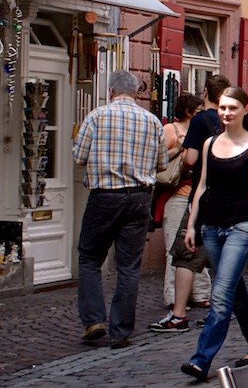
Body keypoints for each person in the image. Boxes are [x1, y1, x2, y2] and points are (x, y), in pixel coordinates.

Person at [180, 87, 248, 381]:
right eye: (222, 108)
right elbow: (202, 186)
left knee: (220, 294)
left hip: (242, 227)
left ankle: (200, 359)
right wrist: (193, 223)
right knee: (233, 291)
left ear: (245, 110)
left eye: (233, 108)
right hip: (212, 226)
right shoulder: (209, 144)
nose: (226, 113)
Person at [74, 70, 168, 349]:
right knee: (128, 266)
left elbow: (79, 157)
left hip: (105, 196)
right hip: (139, 198)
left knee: (90, 258)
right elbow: (161, 164)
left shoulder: (96, 116)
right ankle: (121, 330)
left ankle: (94, 320)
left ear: (112, 91)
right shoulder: (152, 121)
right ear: (137, 92)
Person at [150, 74, 229, 333]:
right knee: (223, 258)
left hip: (200, 195)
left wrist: (185, 158)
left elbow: (191, 160)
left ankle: (179, 312)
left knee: (184, 253)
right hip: (227, 197)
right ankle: (219, 309)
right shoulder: (231, 121)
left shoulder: (200, 121)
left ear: (206, 92)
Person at [154, 94, 205, 311]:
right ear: (188, 111)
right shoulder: (170, 130)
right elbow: (157, 160)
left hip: (196, 195)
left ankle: (200, 293)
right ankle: (174, 296)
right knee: (174, 248)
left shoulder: (200, 130)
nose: (202, 113)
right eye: (199, 109)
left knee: (198, 246)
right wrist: (181, 149)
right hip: (176, 194)